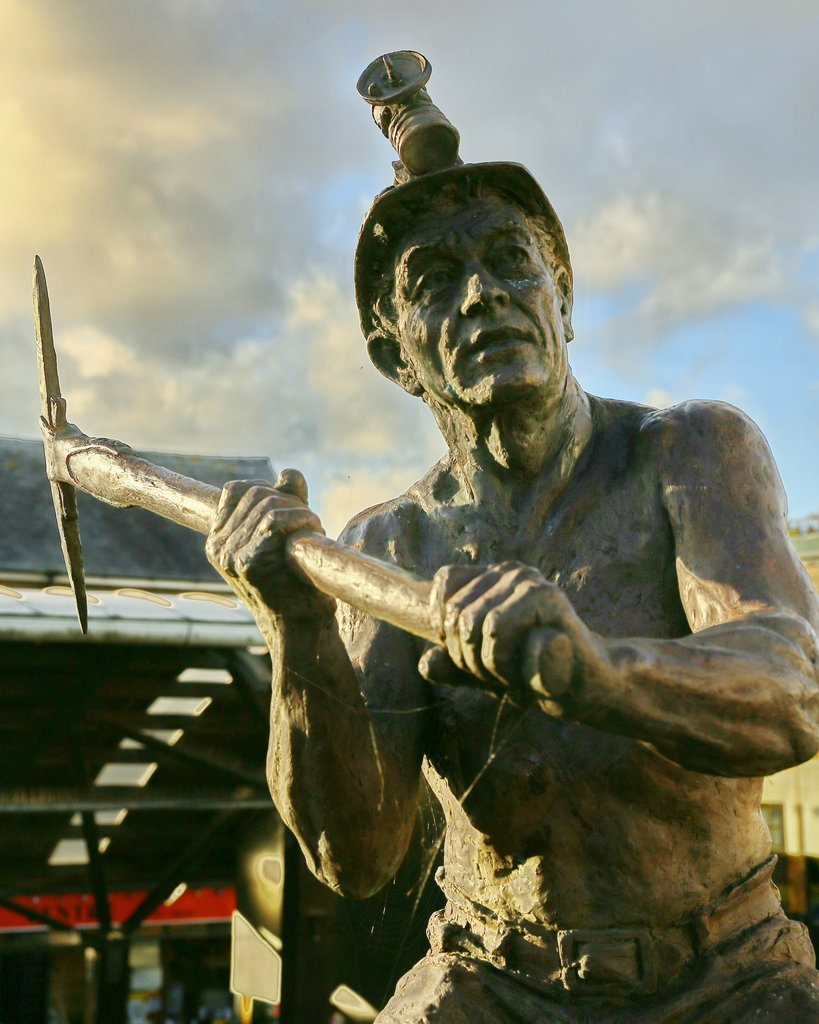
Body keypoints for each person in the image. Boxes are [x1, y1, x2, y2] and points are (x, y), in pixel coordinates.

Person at [205, 111, 819, 1021]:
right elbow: (358, 858)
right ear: (394, 356)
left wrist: (597, 671)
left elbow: (791, 687)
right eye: (435, 281)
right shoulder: (389, 547)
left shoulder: (687, 453)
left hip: (727, 975)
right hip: (493, 981)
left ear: (560, 297)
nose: (482, 294)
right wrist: (297, 635)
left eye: (509, 260)